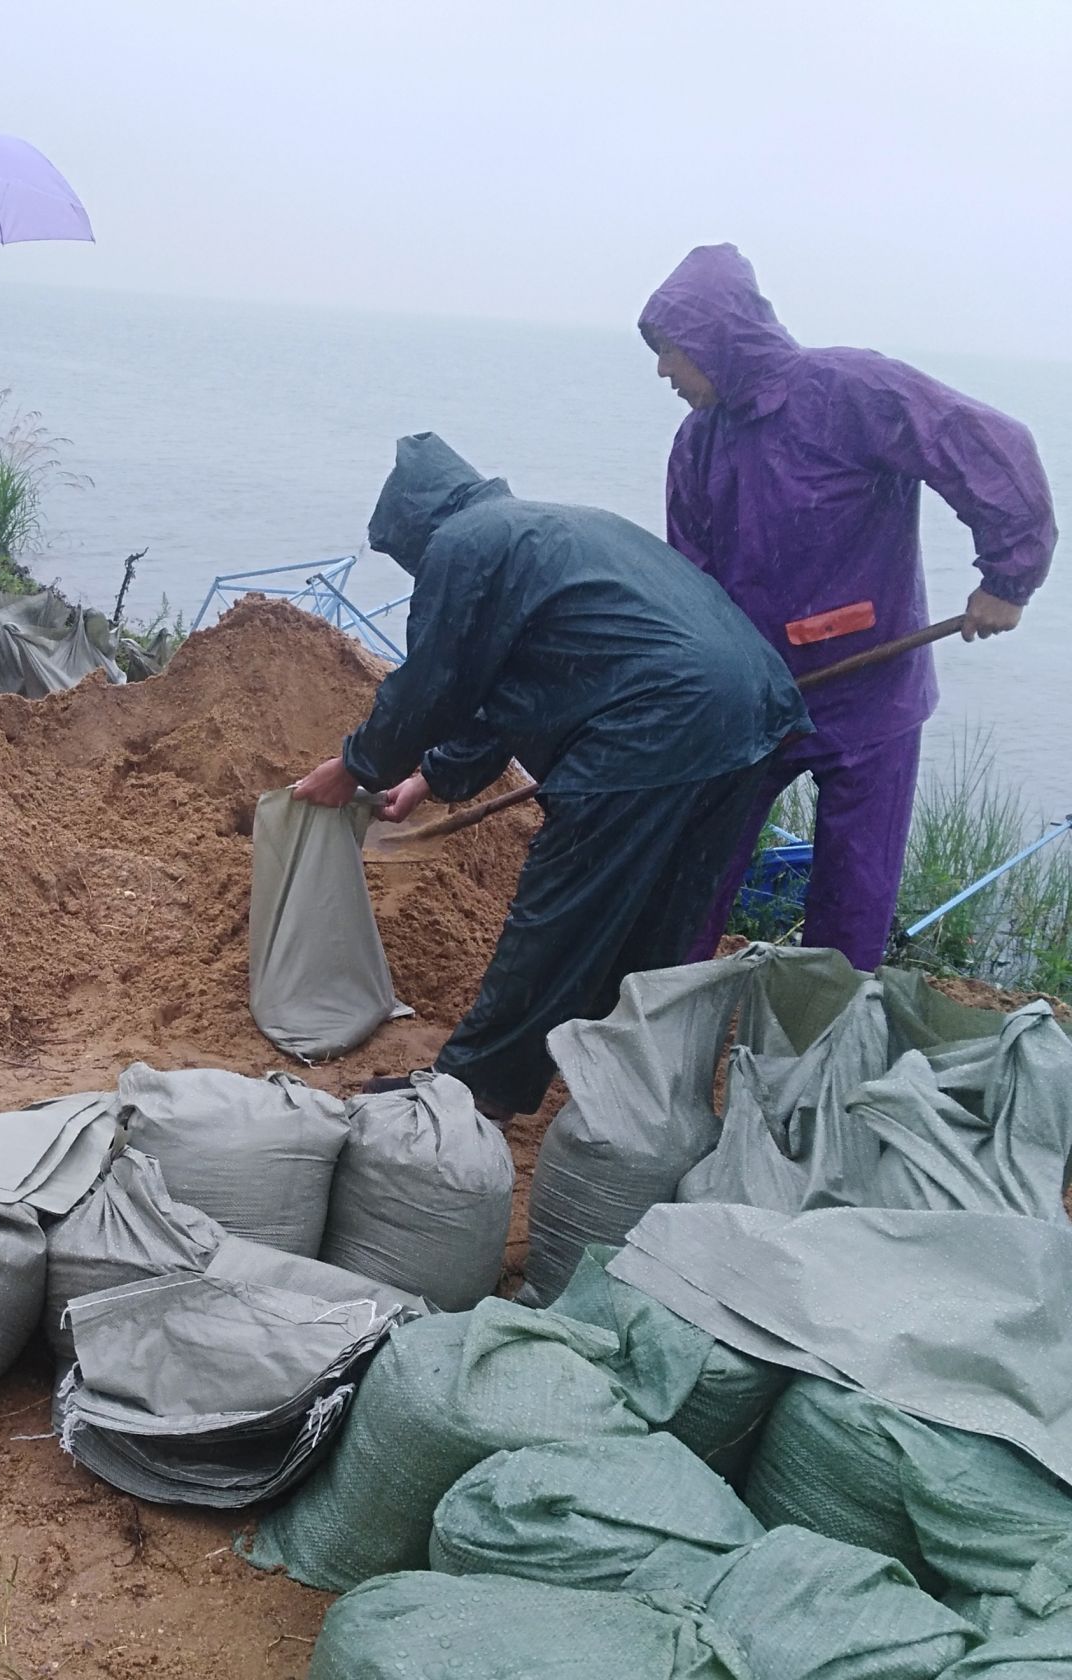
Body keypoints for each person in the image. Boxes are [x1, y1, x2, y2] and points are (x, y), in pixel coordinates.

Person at [293, 431, 807, 1118]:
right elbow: (508, 691)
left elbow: (431, 687)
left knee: (562, 910)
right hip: (753, 712)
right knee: (661, 912)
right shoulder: (543, 530)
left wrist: (355, 765)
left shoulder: (464, 543)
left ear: (417, 526)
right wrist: (432, 779)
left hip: (656, 722)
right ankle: (621, 1074)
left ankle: (476, 1087)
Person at [640, 244, 1056, 969]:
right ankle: (661, 1026)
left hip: (873, 701)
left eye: (672, 351)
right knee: (692, 879)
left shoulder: (850, 391)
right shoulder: (696, 443)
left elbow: (985, 444)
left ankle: (812, 1056)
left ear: (719, 340)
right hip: (754, 707)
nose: (663, 371)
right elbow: (689, 588)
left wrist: (1007, 577)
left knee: (852, 904)